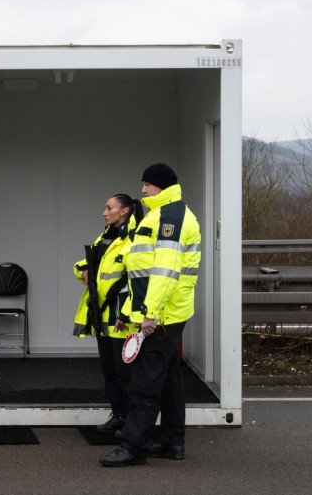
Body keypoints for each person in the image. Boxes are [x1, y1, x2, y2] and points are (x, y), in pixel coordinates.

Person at [101, 163, 201, 467]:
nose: (142, 190)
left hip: (161, 316)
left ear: (160, 186)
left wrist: (150, 314)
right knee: (169, 378)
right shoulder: (164, 213)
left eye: (147, 185)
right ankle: (172, 441)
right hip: (164, 313)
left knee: (145, 382)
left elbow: (164, 272)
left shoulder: (170, 217)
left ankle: (134, 447)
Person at [72, 193, 140, 434]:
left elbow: (137, 282)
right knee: (110, 372)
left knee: (127, 375)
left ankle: (134, 422)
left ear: (124, 211)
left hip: (122, 321)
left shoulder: (133, 239)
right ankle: (119, 416)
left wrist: (125, 314)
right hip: (102, 317)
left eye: (109, 207)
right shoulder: (106, 236)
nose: (104, 212)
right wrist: (82, 270)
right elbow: (89, 264)